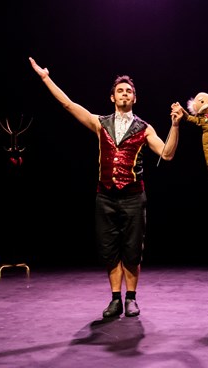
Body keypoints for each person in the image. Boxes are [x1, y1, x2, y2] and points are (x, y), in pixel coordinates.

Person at [29, 57, 183, 318]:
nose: (125, 94)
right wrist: (45, 78)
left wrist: (176, 125)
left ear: (135, 98)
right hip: (106, 196)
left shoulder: (145, 128)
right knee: (109, 248)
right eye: (120, 90)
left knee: (133, 249)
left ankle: (131, 299)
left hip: (134, 197)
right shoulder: (99, 122)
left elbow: (167, 154)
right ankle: (115, 299)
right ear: (112, 97)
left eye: (129, 91)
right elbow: (68, 104)